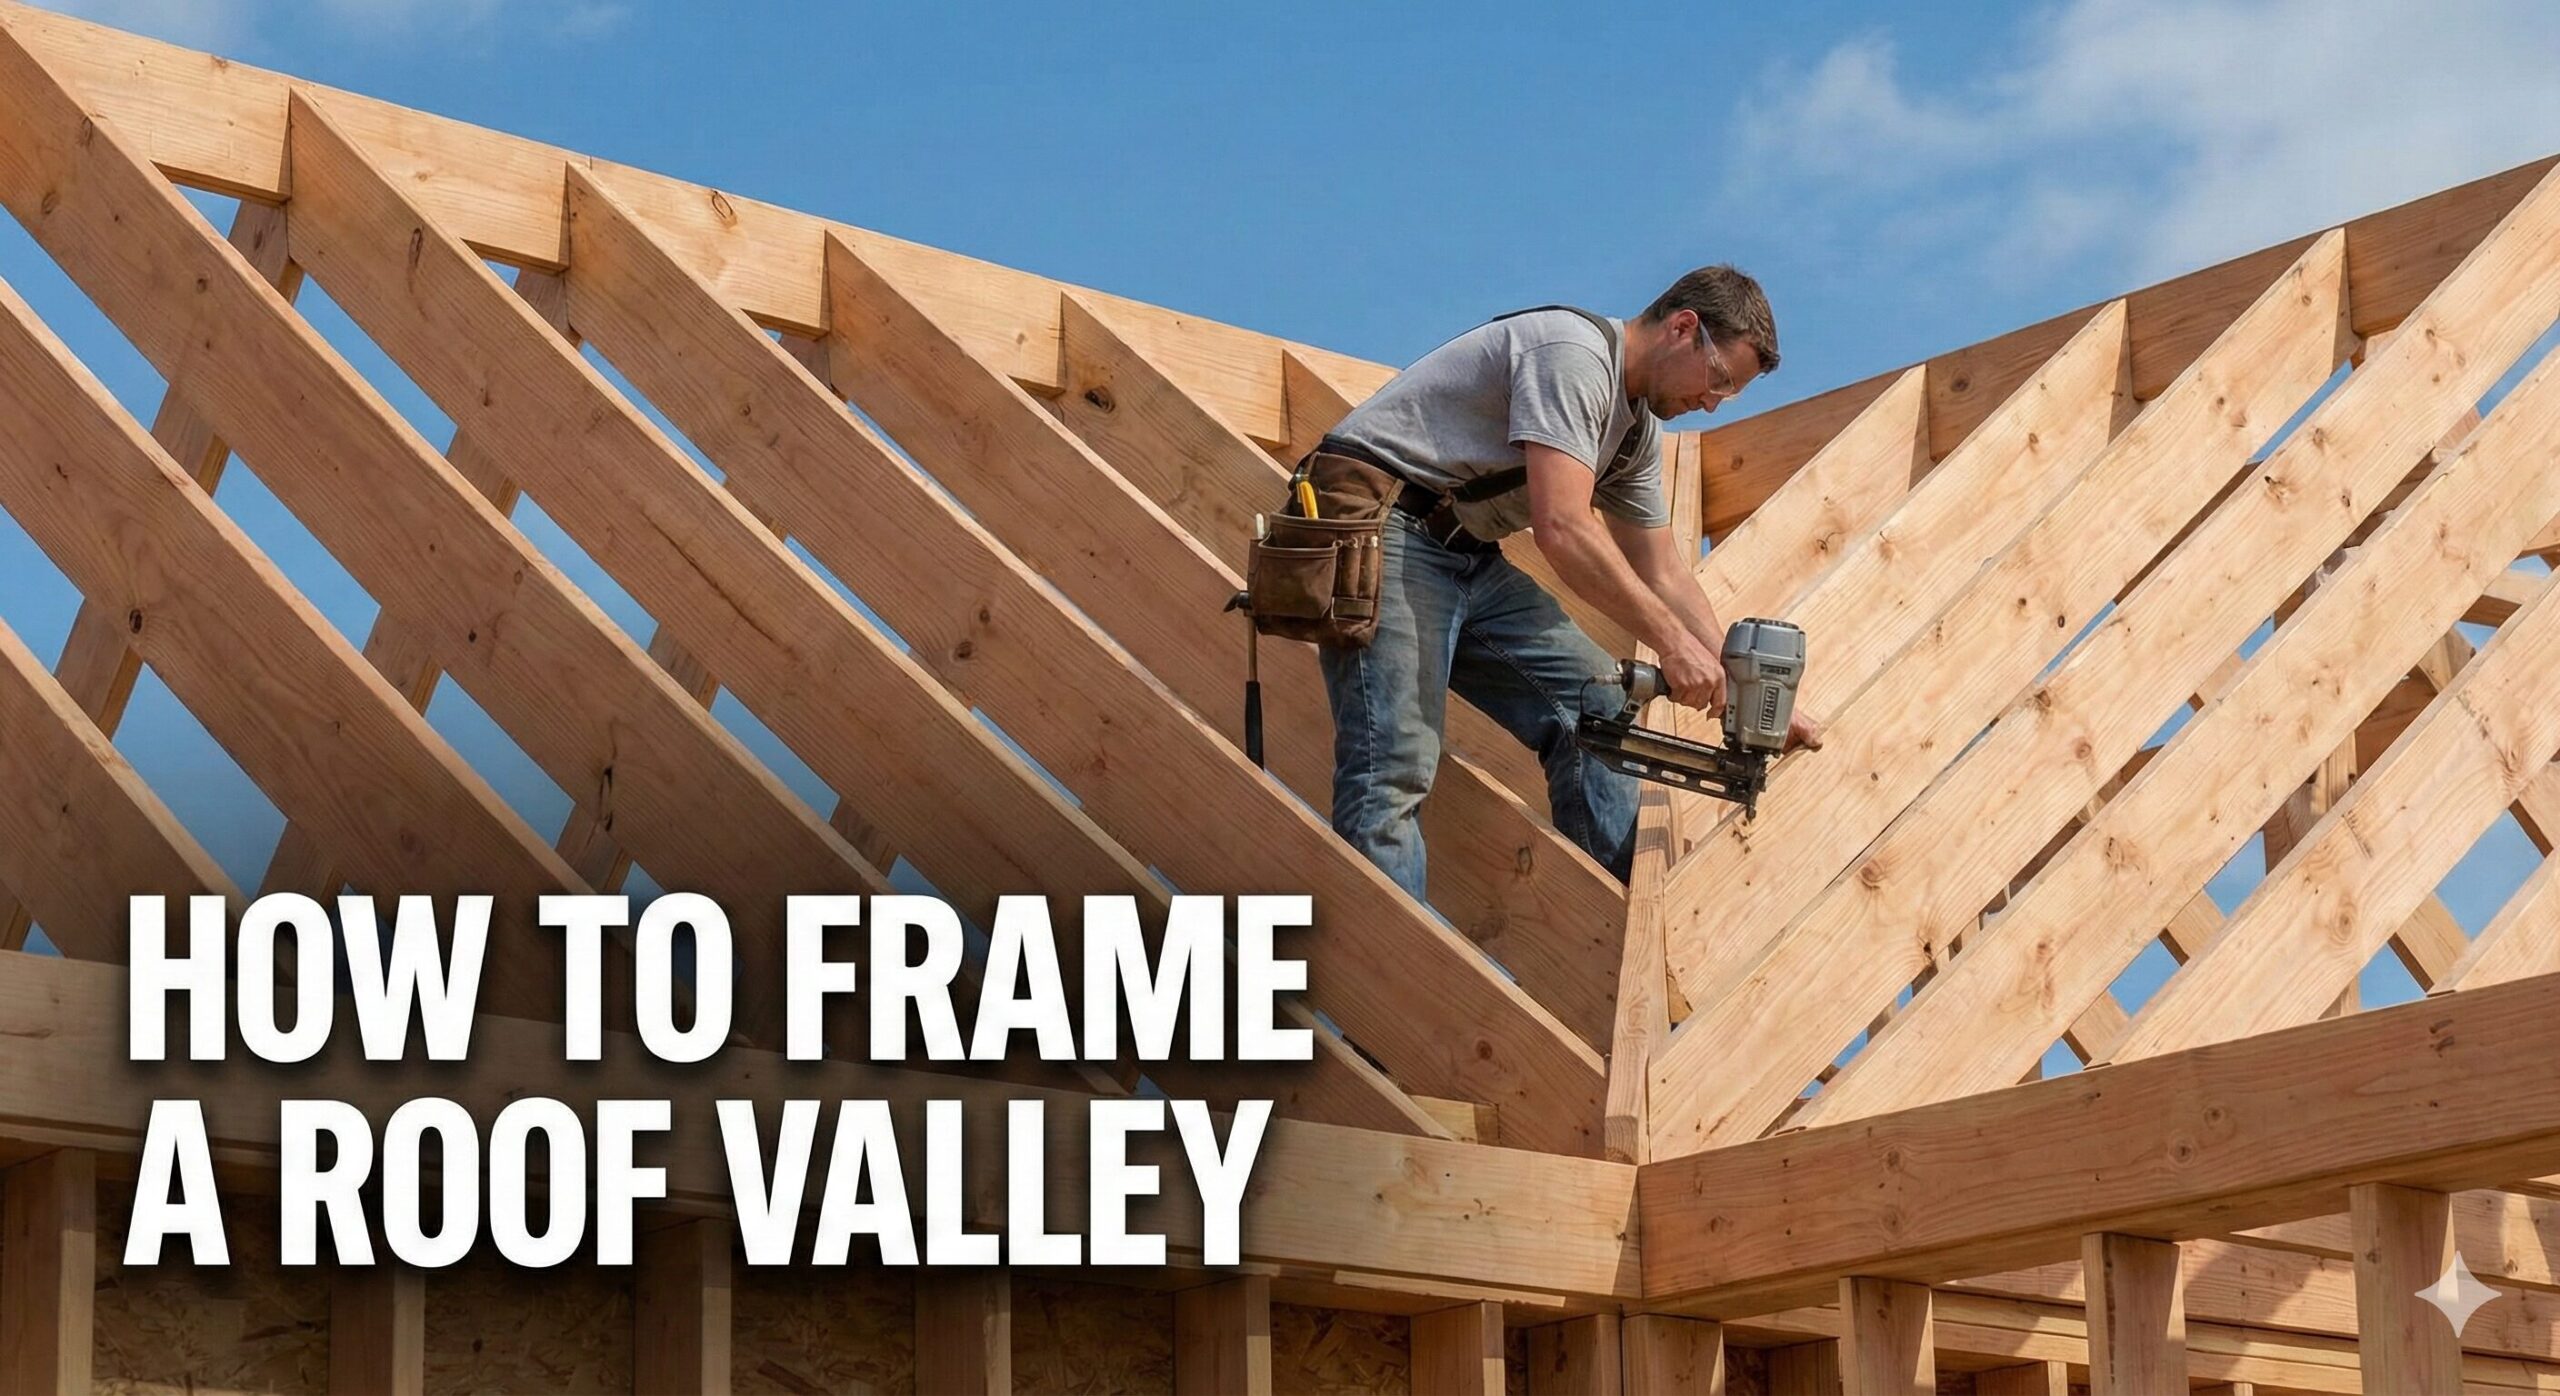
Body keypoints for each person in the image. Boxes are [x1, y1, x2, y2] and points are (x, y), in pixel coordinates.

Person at [1313, 266, 1821, 896]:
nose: (1713, 403)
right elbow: (1563, 526)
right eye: (1718, 380)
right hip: (1382, 526)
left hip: (1461, 551)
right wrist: (1671, 644)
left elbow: (1662, 569)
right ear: (1683, 328)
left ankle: (1616, 940)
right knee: (1390, 768)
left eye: (1731, 396)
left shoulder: (1634, 433)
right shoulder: (1573, 359)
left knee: (1598, 701)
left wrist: (1750, 695)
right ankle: (1387, 981)